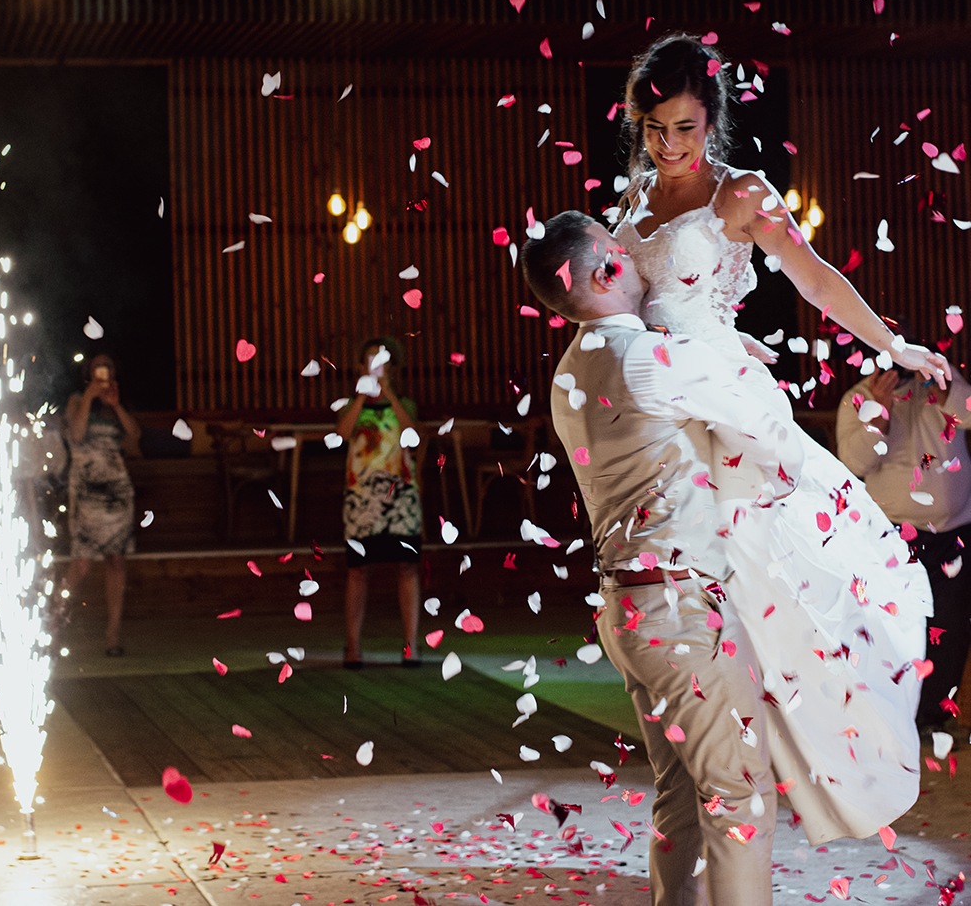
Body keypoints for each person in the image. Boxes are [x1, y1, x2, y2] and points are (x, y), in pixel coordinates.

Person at [522, 213, 928, 903]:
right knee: (740, 797)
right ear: (607, 270)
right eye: (622, 251)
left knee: (684, 791)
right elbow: (772, 438)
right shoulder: (651, 359)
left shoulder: (569, 373)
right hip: (682, 611)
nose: (636, 258)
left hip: (628, 611)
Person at [837, 328, 971, 736]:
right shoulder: (857, 398)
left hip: (953, 531)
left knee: (950, 629)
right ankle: (895, 717)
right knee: (896, 630)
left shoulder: (942, 385)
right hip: (893, 536)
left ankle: (932, 717)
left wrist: (946, 391)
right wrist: (877, 410)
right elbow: (855, 463)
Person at [336, 337, 421, 669]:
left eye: (382, 362)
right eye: (370, 361)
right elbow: (342, 434)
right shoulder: (350, 405)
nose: (376, 368)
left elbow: (411, 433)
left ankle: (411, 645)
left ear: (391, 369)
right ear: (361, 367)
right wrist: (361, 397)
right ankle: (353, 646)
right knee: (358, 570)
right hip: (361, 497)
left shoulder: (405, 404)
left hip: (400, 495)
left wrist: (389, 395)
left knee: (407, 567)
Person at [58, 354, 140, 656]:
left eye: (108, 367)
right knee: (80, 563)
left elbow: (135, 436)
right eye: (98, 368)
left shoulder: (118, 402)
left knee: (116, 559)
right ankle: (52, 625)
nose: (103, 372)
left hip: (116, 488)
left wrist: (115, 405)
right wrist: (90, 397)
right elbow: (76, 435)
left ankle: (113, 633)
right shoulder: (76, 400)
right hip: (85, 487)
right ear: (89, 373)